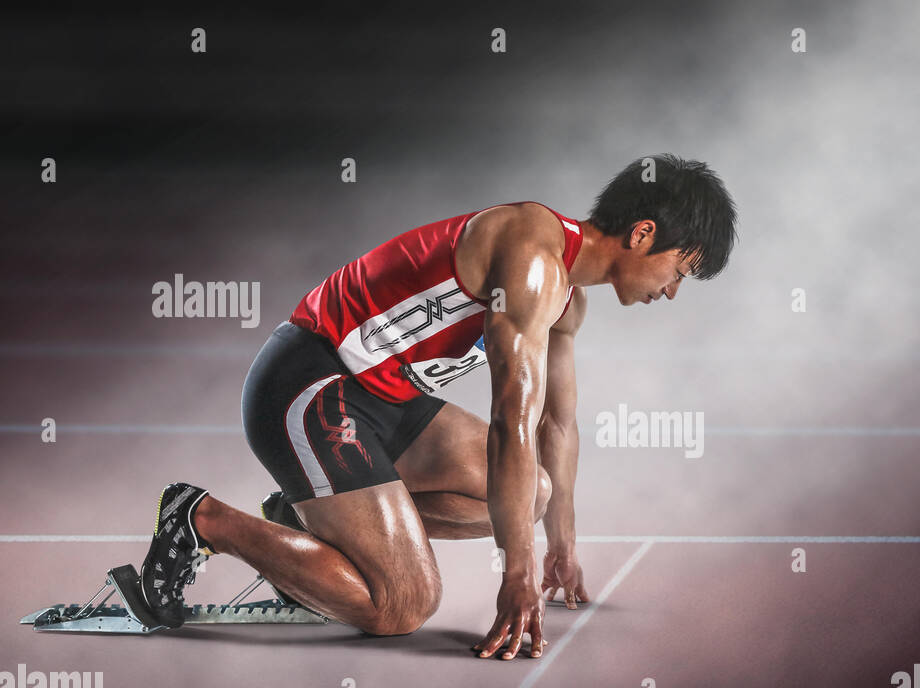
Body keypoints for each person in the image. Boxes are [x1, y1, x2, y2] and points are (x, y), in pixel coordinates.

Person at [138, 154, 737, 660]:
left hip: (384, 398)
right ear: (643, 235)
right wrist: (517, 575)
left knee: (535, 496)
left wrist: (561, 547)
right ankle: (200, 518)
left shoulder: (568, 301)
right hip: (310, 383)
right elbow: (512, 424)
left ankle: (302, 526)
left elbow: (556, 422)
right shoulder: (532, 257)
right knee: (402, 606)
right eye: (681, 270)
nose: (673, 290)